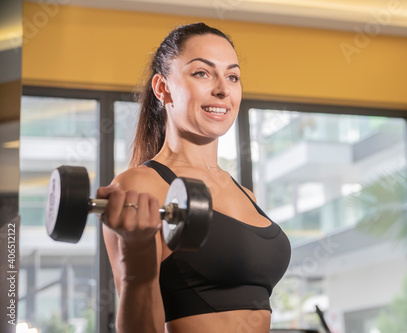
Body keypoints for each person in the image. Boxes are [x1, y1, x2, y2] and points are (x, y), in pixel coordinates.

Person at [96, 23, 291, 333]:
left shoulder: (245, 194)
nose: (223, 90)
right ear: (163, 88)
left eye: (232, 76)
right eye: (202, 73)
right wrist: (137, 260)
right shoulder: (140, 186)